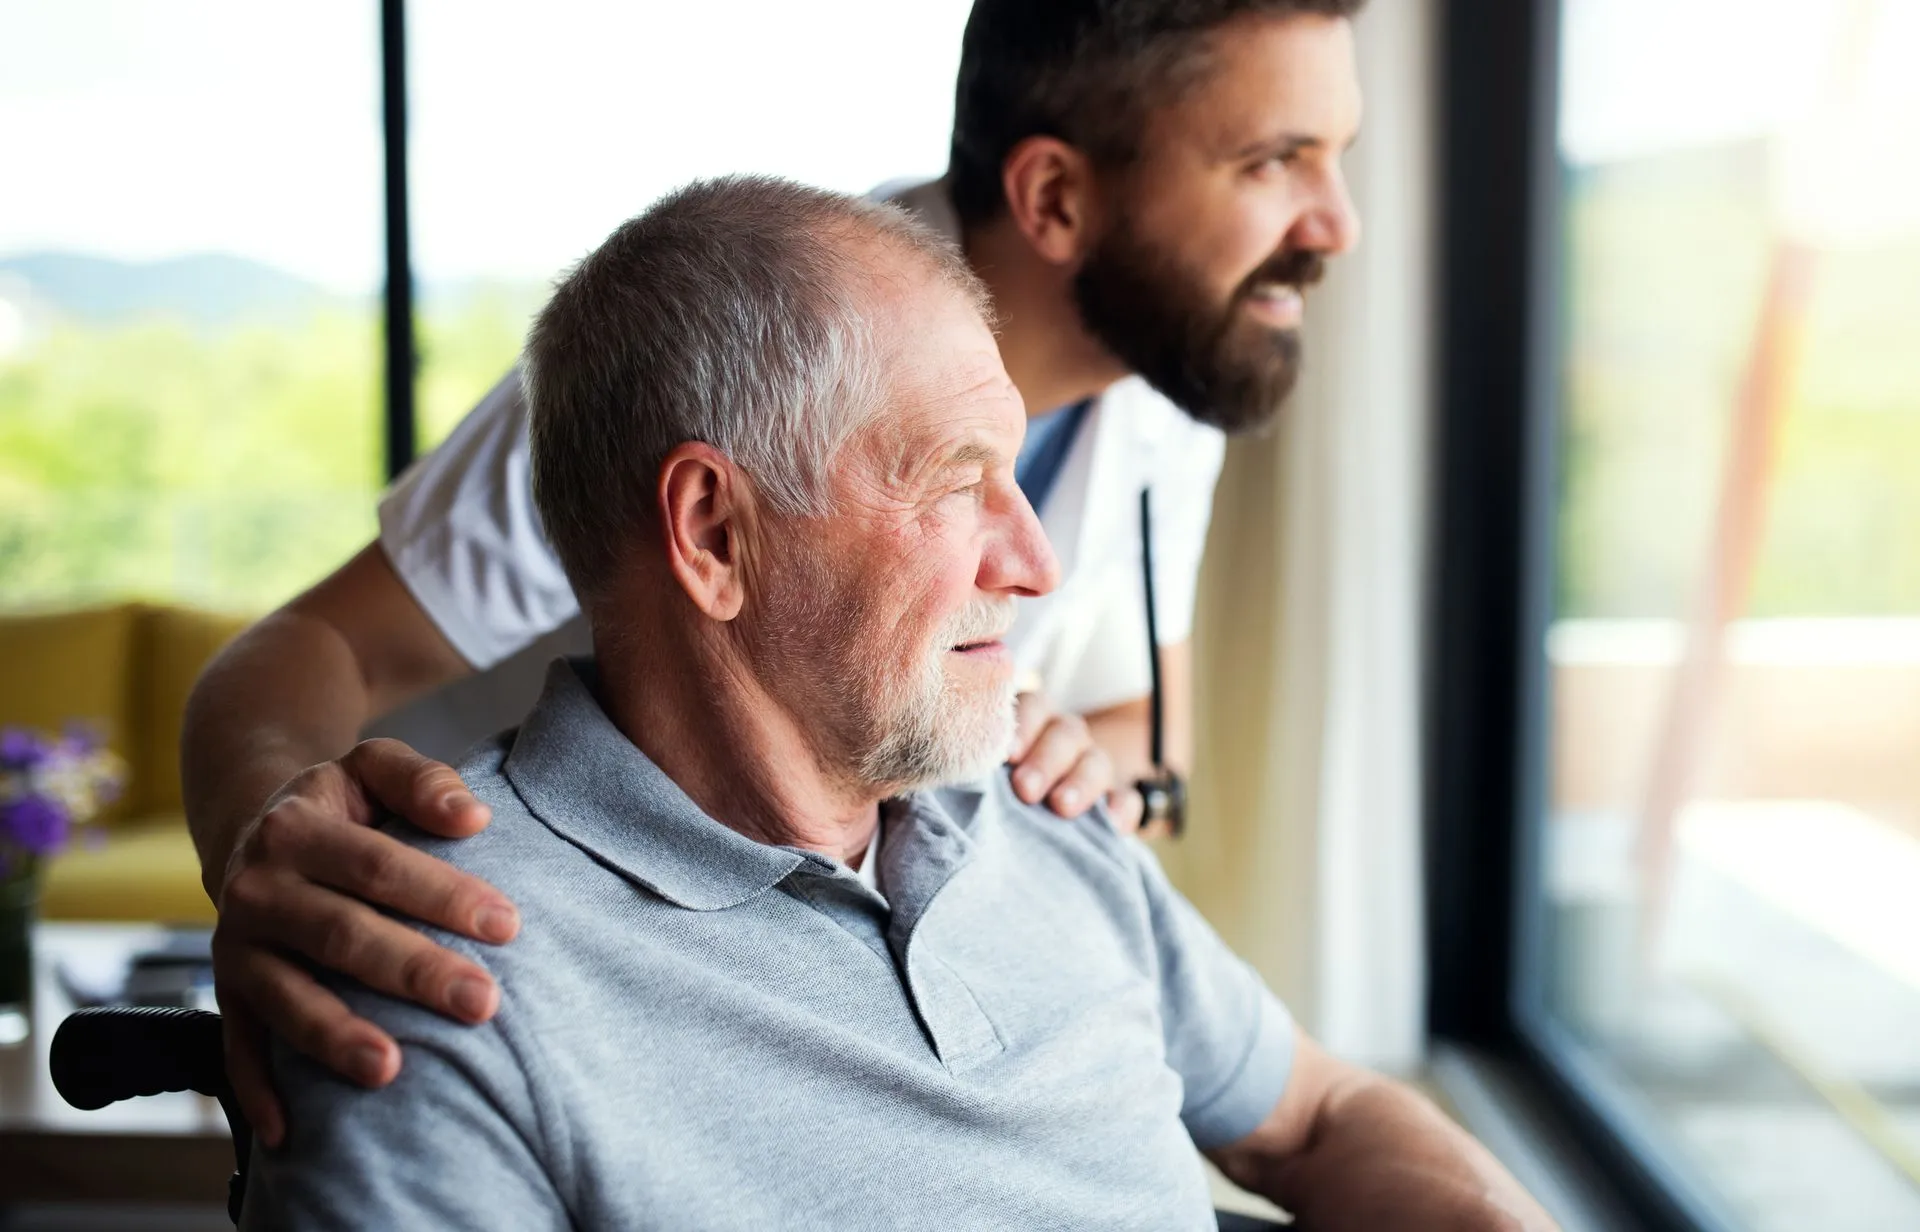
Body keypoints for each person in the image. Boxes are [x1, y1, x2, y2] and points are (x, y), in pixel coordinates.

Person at [243, 175, 1549, 1232]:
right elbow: (289, 659)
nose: (1032, 566)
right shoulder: (432, 974)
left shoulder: (1044, 811)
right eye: (956, 480)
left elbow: (1316, 1115)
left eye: (1020, 475)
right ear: (713, 533)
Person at [185, 0, 1367, 1147]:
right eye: (1275, 160)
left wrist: (1048, 751)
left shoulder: (1164, 390)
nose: (1336, 223)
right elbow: (303, 655)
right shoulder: (725, 356)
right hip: (547, 983)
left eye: (1337, 155)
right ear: (1055, 195)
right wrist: (267, 853)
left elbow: (1153, 729)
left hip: (828, 968)